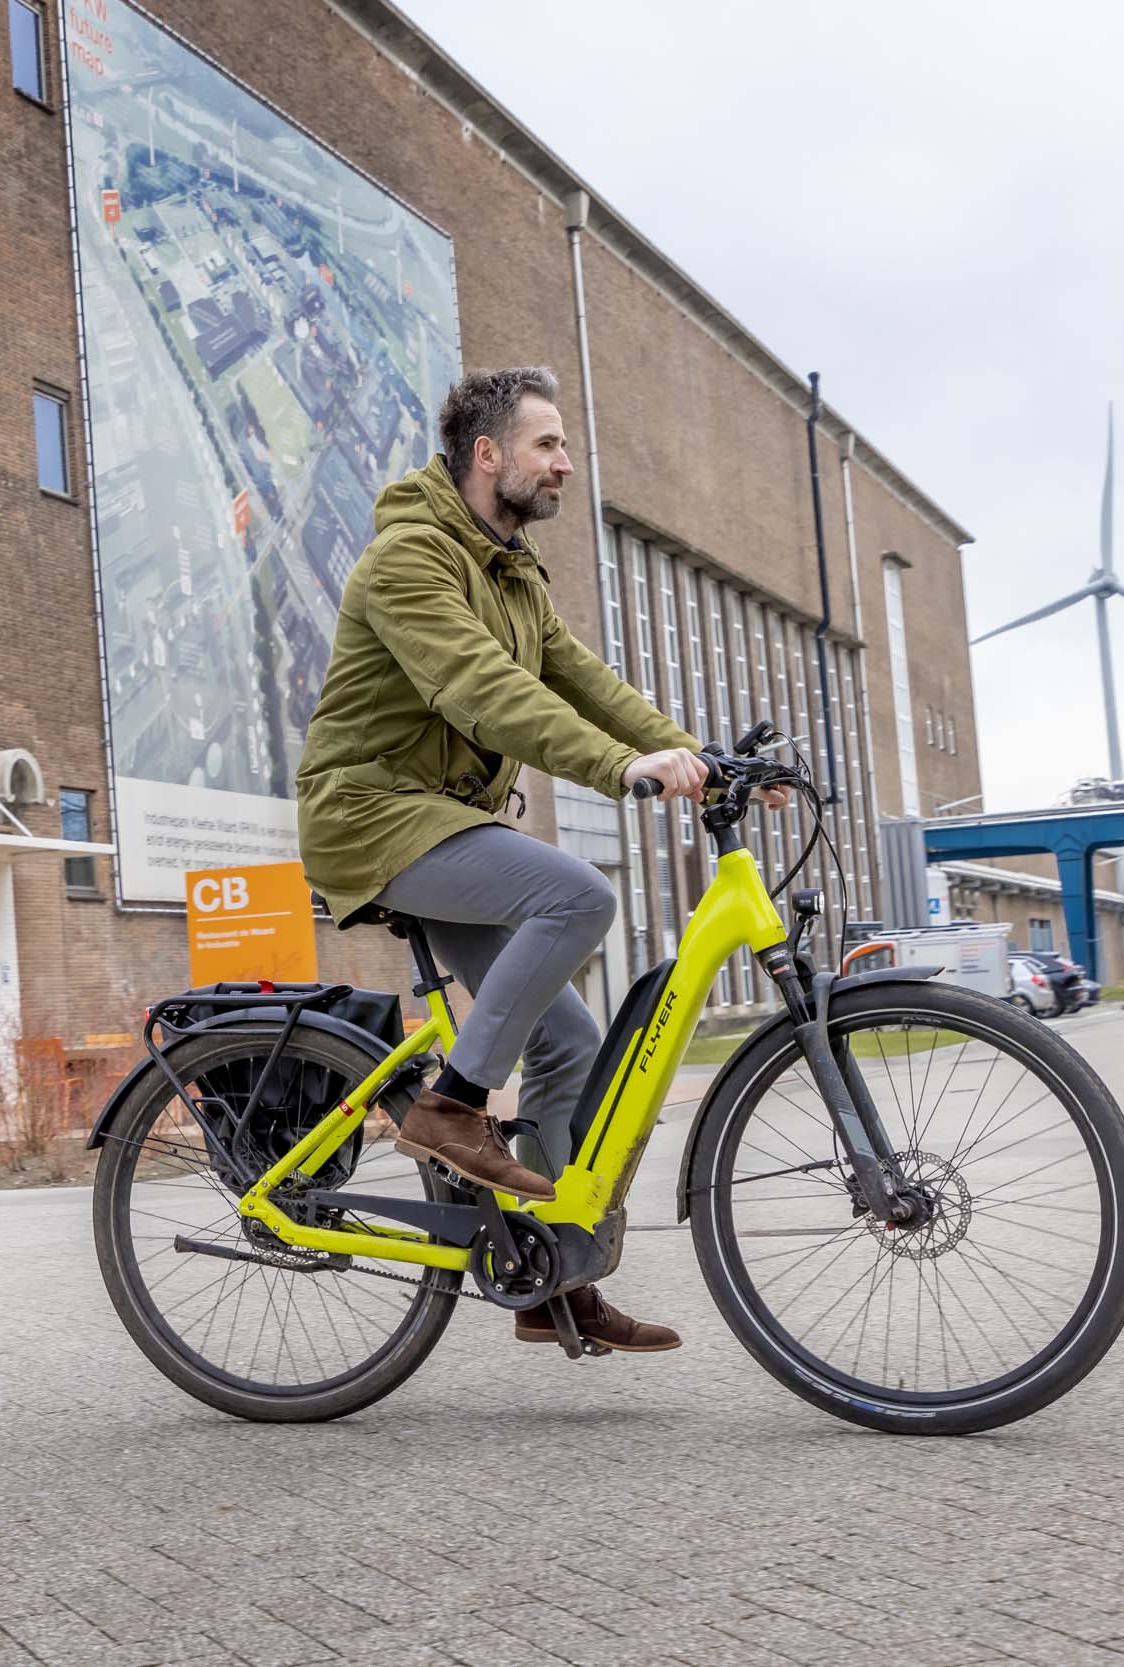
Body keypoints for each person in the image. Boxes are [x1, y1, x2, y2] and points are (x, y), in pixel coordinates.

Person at [295, 365, 782, 1355]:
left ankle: (553, 1276)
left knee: (568, 1047)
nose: (563, 462)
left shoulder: (512, 568)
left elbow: (584, 679)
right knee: (575, 894)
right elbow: (478, 690)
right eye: (547, 445)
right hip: (372, 815)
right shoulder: (408, 560)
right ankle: (450, 1106)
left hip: (440, 821)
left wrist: (696, 754)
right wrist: (619, 768)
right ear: (489, 456)